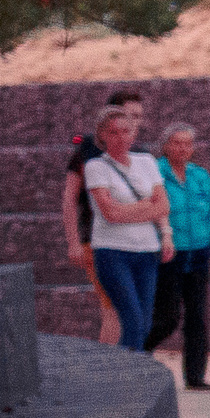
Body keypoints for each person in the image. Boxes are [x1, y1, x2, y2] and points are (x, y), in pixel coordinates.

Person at [80, 105, 172, 350]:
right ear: (102, 136)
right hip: (113, 251)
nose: (120, 138)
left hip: (146, 251)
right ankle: (130, 379)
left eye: (125, 131)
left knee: (144, 322)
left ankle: (126, 372)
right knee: (131, 319)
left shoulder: (146, 162)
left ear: (133, 134)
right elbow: (110, 214)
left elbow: (163, 206)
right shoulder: (96, 167)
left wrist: (155, 223)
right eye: (113, 132)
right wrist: (145, 206)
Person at [147, 123, 210, 391]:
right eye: (177, 143)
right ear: (166, 146)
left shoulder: (200, 176)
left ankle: (195, 377)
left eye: (187, 144)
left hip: (199, 253)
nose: (183, 149)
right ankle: (138, 352)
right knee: (167, 316)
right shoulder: (155, 173)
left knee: (198, 316)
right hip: (169, 254)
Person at [62, 89, 145, 345]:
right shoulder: (88, 148)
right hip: (98, 241)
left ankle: (117, 370)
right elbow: (70, 197)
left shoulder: (140, 154)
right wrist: (73, 241)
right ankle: (110, 373)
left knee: (125, 311)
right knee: (114, 311)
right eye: (129, 115)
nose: (135, 122)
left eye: (139, 117)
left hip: (133, 243)